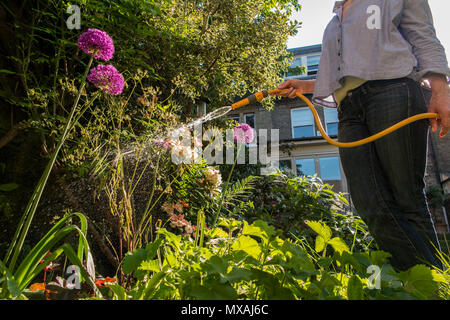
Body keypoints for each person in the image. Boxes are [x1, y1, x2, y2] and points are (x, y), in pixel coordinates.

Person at [276, 0, 450, 271]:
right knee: (370, 205)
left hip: (394, 91)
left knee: (407, 199)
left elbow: (422, 35)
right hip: (349, 109)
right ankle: (423, 284)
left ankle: (427, 287)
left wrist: (440, 90)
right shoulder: (335, 20)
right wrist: (306, 85)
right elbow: (347, 73)